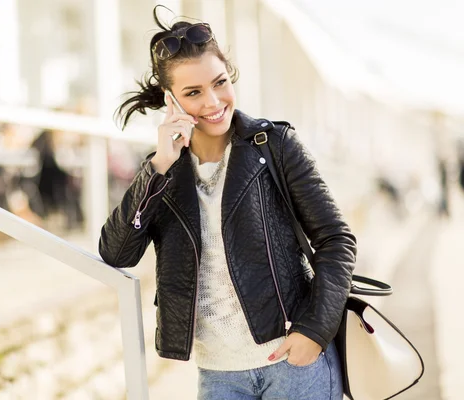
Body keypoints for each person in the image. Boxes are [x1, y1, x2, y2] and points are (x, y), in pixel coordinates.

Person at [99, 7, 356, 400]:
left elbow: (336, 240)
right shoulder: (162, 173)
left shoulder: (274, 146)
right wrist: (160, 166)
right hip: (219, 376)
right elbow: (117, 252)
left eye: (219, 82)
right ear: (170, 99)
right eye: (193, 92)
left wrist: (315, 331)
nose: (213, 101)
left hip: (293, 365)